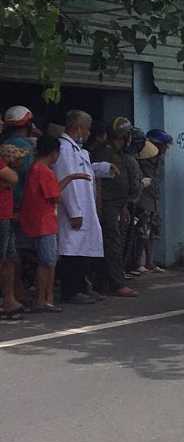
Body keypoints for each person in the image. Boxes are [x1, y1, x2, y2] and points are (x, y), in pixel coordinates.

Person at [18, 135, 90, 314]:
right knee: (48, 262)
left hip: (38, 220)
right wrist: (71, 179)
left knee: (47, 261)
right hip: (44, 221)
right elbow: (55, 195)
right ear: (54, 153)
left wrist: (71, 177)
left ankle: (45, 298)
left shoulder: (36, 169)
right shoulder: (44, 171)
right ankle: (43, 299)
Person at [56, 111, 111, 304]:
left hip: (84, 208)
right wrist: (74, 212)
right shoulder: (64, 150)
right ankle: (70, 291)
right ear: (78, 128)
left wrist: (102, 168)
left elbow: (84, 172)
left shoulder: (78, 150)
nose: (88, 134)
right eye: (87, 129)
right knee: (71, 252)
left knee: (82, 251)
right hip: (74, 210)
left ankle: (82, 288)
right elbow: (66, 182)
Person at [89, 119, 140, 297]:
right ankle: (116, 283)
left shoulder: (118, 154)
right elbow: (100, 183)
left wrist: (124, 205)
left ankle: (106, 282)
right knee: (113, 245)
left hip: (117, 205)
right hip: (107, 206)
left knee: (115, 244)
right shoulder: (104, 154)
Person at [134, 129, 171, 274]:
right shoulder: (142, 159)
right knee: (141, 231)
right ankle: (138, 263)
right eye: (164, 145)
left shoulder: (158, 159)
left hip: (153, 198)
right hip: (143, 198)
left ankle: (150, 262)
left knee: (152, 231)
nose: (166, 148)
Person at [0, 143, 23, 318]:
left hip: (6, 215)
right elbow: (12, 178)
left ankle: (9, 300)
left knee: (9, 258)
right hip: (1, 216)